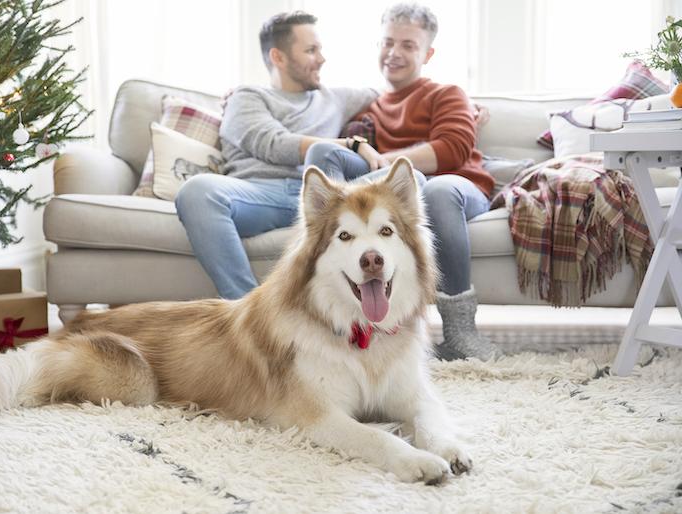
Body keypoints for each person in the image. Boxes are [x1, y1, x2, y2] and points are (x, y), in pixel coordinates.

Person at [304, 2, 502, 361]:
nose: (394, 53)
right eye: (388, 42)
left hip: (458, 188)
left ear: (428, 53)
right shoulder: (369, 109)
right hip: (399, 196)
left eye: (408, 45)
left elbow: (454, 148)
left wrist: (388, 165)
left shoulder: (447, 93)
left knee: (436, 189)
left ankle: (460, 331)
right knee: (326, 152)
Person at [175, 11, 384, 301]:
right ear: (279, 57)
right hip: (260, 194)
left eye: (320, 49)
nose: (322, 59)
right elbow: (273, 144)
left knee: (413, 180)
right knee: (197, 192)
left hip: (322, 196)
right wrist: (351, 143)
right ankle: (249, 308)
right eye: (311, 50)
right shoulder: (247, 96)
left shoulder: (334, 97)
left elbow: (391, 92)